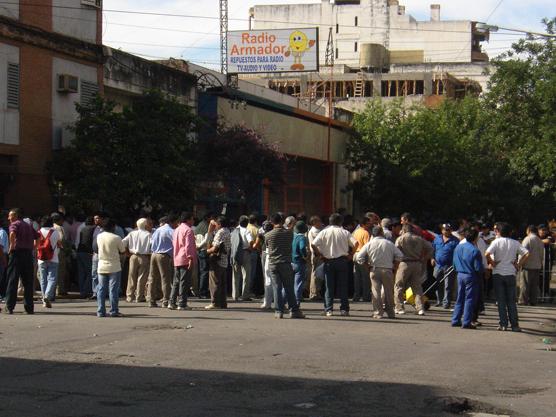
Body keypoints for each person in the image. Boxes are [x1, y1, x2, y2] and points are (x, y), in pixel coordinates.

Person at [485, 222, 529, 332]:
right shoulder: (515, 243)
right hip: (511, 273)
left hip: (498, 273)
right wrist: (518, 264)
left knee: (501, 301)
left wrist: (492, 263)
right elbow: (527, 253)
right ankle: (515, 325)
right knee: (511, 301)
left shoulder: (496, 242)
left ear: (499, 231)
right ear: (510, 232)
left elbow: (486, 254)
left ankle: (503, 324)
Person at [312, 213, 357, 317]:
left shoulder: (324, 232)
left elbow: (313, 244)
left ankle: (328, 309)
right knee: (343, 286)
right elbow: (356, 244)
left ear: (330, 221)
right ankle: (344, 309)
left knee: (329, 286)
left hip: (328, 261)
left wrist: (320, 255)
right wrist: (351, 255)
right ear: (340, 222)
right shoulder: (345, 232)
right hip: (342, 261)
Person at [355, 226, 403, 318]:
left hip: (374, 269)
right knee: (389, 292)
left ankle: (378, 313)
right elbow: (400, 256)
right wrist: (395, 266)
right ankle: (390, 313)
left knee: (375, 291)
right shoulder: (389, 243)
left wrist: (367, 266)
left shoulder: (369, 244)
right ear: (382, 233)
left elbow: (359, 257)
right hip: (388, 270)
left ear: (373, 234)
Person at [264, 213, 305, 319]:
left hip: (273, 264)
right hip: (286, 263)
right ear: (282, 221)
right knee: (289, 287)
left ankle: (279, 311)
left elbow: (266, 247)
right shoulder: (289, 234)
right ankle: (294, 310)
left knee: (276, 288)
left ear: (272, 222)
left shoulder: (268, 235)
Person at [4, 208, 39, 314]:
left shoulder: (15, 224)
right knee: (28, 282)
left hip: (17, 254)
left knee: (12, 280)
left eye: (10, 215)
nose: (8, 218)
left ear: (15, 215)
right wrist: (34, 248)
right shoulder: (28, 226)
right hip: (27, 254)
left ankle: (9, 306)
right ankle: (29, 308)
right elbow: (37, 237)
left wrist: (12, 246)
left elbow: (12, 234)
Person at [394, 224, 433, 316]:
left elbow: (396, 251)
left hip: (404, 263)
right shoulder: (419, 239)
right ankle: (420, 308)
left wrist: (396, 263)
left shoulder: (401, 239)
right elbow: (431, 248)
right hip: (417, 263)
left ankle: (399, 308)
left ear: (404, 230)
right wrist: (424, 258)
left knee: (399, 286)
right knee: (417, 287)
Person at [451, 228, 484, 329]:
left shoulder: (458, 247)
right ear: (475, 238)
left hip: (460, 274)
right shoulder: (475, 250)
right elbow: (478, 268)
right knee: (469, 299)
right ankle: (466, 322)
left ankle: (455, 319)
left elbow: (454, 263)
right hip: (471, 275)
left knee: (459, 298)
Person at [96, 219, 126, 318]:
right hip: (114, 266)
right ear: (113, 227)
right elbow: (122, 250)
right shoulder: (117, 238)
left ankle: (100, 311)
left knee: (101, 289)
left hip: (101, 265)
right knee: (113, 289)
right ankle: (114, 311)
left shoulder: (99, 236)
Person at [148, 215, 177, 308]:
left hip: (154, 254)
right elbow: (176, 243)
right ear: (172, 222)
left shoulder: (157, 230)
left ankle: (151, 300)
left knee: (152, 278)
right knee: (165, 279)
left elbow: (151, 242)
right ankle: (166, 300)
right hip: (164, 255)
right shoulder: (171, 231)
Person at [169, 212, 197, 310]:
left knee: (176, 281)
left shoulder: (176, 230)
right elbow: (188, 246)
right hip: (185, 258)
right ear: (188, 220)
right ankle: (182, 303)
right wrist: (190, 258)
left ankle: (172, 302)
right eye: (192, 219)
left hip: (177, 258)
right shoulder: (188, 230)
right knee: (184, 282)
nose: (193, 221)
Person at [123, 218, 152, 303]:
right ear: (145, 225)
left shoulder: (132, 233)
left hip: (133, 256)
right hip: (144, 257)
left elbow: (123, 242)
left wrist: (127, 252)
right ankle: (139, 297)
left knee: (131, 276)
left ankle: (129, 296)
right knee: (142, 277)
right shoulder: (148, 234)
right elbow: (152, 245)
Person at [205, 216, 231, 309]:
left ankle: (215, 303)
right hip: (224, 260)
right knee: (222, 283)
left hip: (217, 259)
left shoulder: (220, 232)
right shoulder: (227, 231)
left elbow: (215, 247)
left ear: (219, 224)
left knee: (214, 282)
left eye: (216, 224)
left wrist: (207, 251)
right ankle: (223, 303)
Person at [431, 223, 459, 309]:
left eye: (448, 229)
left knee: (448, 285)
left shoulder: (455, 240)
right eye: (445, 229)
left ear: (451, 230)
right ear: (442, 230)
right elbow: (433, 249)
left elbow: (457, 254)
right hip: (438, 265)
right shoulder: (437, 239)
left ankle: (446, 302)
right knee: (437, 283)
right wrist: (432, 258)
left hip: (449, 266)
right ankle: (439, 301)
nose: (446, 231)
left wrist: (455, 265)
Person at [37, 215, 61, 308]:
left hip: (41, 259)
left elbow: (35, 245)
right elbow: (59, 244)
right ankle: (47, 295)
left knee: (43, 280)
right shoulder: (55, 232)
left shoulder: (38, 232)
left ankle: (44, 299)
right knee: (52, 279)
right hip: (53, 258)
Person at [518, 225, 544, 306]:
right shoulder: (540, 240)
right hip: (537, 265)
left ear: (528, 230)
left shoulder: (527, 239)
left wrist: (519, 263)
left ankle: (523, 300)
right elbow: (542, 254)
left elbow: (523, 252)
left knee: (525, 284)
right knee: (534, 285)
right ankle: (533, 301)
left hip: (528, 265)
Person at [230, 215, 255, 301]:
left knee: (235, 275)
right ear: (247, 223)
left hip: (235, 253)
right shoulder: (246, 231)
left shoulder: (234, 231)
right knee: (246, 275)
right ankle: (245, 295)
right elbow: (251, 241)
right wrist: (250, 248)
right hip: (245, 252)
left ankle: (235, 295)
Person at [352, 216, 372, 303]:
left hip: (355, 254)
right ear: (364, 224)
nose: (370, 224)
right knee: (365, 277)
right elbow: (367, 246)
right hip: (362, 255)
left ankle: (356, 295)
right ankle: (366, 296)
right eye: (368, 223)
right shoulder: (366, 233)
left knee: (357, 277)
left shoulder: (355, 232)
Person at [195, 213, 214, 299]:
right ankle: (203, 292)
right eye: (211, 217)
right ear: (207, 218)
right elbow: (207, 240)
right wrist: (201, 246)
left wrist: (197, 246)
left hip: (198, 251)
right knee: (205, 272)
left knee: (201, 271)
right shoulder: (207, 226)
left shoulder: (198, 226)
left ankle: (201, 290)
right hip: (204, 250)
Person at [76, 217, 95, 298]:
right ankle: (85, 290)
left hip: (80, 251)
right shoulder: (94, 229)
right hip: (88, 252)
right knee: (91, 272)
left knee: (82, 273)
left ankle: (82, 291)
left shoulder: (82, 228)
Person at [291, 220, 308, 305]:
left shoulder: (293, 236)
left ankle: (282, 302)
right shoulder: (302, 238)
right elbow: (302, 247)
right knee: (298, 284)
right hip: (299, 263)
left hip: (291, 262)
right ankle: (296, 302)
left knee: (289, 284)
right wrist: (305, 256)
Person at [307, 215, 324, 301]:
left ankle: (317, 292)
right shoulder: (314, 231)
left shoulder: (318, 230)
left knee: (318, 274)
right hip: (317, 254)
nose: (320, 223)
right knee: (315, 274)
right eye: (318, 221)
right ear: (314, 223)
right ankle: (313, 293)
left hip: (320, 254)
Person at [538, 224, 554, 299]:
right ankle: (538, 293)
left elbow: (548, 240)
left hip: (547, 261)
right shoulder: (536, 236)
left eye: (545, 230)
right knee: (538, 277)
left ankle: (545, 293)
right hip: (537, 260)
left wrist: (537, 242)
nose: (544, 232)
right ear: (538, 230)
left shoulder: (549, 235)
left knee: (546, 277)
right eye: (542, 230)